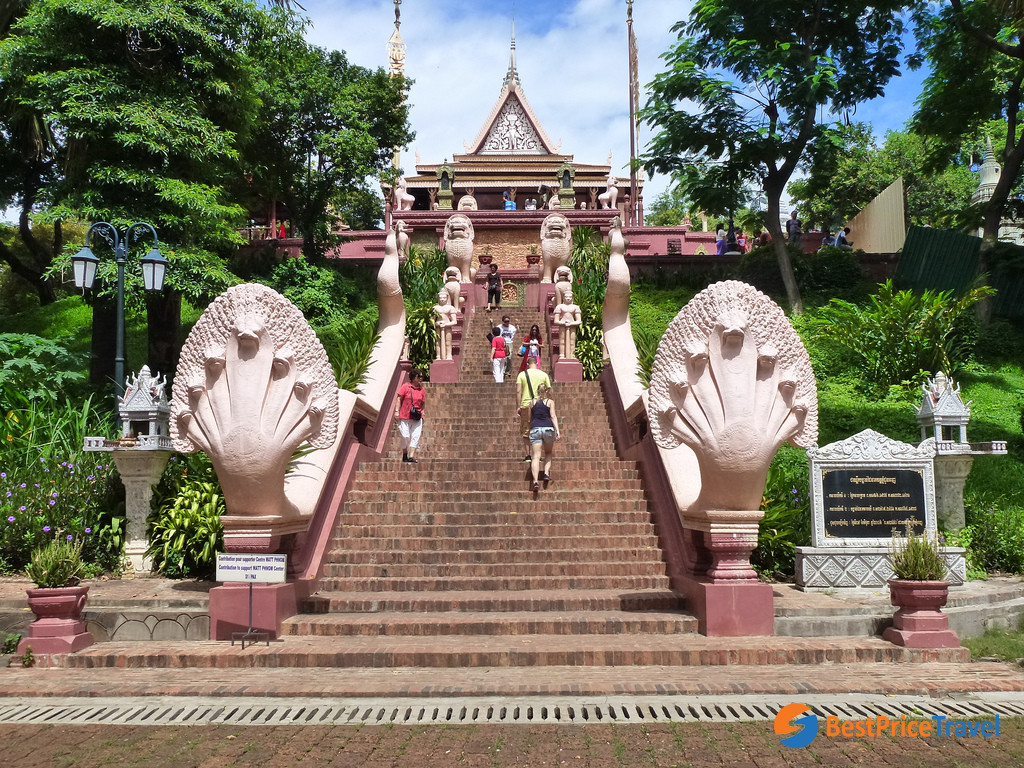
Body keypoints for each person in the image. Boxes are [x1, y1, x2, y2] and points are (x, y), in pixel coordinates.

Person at [516, 356, 551, 462]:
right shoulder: (544, 375)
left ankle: (528, 456)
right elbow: (548, 390)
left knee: (526, 430)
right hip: (540, 405)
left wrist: (518, 406)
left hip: (526, 404)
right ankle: (538, 455)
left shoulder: (522, 374)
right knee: (538, 429)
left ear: (527, 364)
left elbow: (518, 391)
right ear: (537, 363)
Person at [528, 383, 560, 492]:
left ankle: (535, 481)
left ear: (537, 391)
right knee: (548, 452)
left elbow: (530, 418)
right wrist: (558, 430)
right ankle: (546, 473)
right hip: (548, 429)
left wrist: (530, 430)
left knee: (536, 456)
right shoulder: (550, 402)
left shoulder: (532, 403)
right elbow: (553, 416)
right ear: (546, 391)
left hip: (535, 429)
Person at [396, 369, 426, 463]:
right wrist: (397, 411)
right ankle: (405, 453)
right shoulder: (405, 387)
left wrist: (423, 412)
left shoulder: (422, 389)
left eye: (421, 377)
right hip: (405, 416)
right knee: (405, 436)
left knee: (416, 436)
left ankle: (411, 455)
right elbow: (399, 399)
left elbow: (423, 402)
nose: (421, 379)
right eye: (419, 377)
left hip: (417, 416)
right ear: (414, 377)